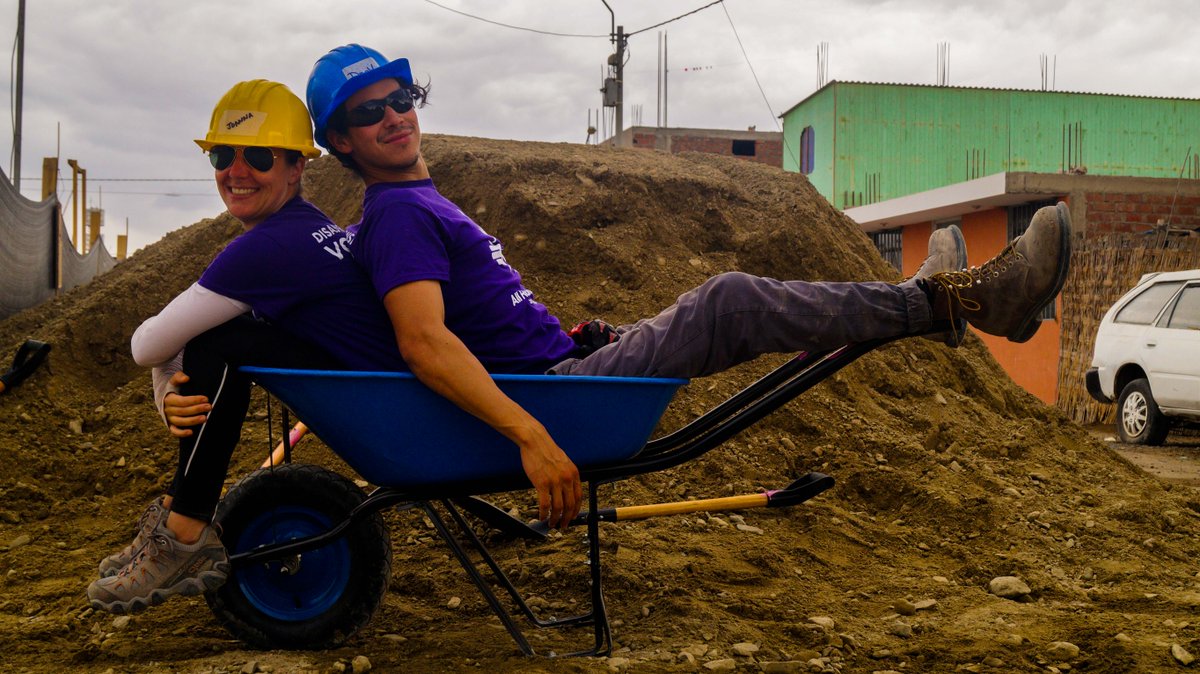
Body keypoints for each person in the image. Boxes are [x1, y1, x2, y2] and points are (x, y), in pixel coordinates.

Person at [305, 45, 1072, 531]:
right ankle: (958, 301)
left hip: (564, 371)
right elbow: (425, 344)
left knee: (720, 303)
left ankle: (932, 300)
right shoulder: (398, 215)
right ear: (340, 141)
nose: (394, 118)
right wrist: (532, 438)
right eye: (368, 114)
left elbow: (473, 325)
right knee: (729, 300)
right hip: (554, 400)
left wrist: (573, 339)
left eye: (401, 98)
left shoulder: (416, 203)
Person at [87, 80, 405, 615]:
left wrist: (163, 382)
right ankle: (176, 513)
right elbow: (173, 340)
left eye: (258, 156)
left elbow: (147, 345)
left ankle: (185, 528)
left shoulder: (266, 248)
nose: (236, 171)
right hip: (376, 385)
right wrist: (168, 379)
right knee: (220, 337)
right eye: (221, 155)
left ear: (296, 167)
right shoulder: (306, 226)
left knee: (221, 340)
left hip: (387, 404)